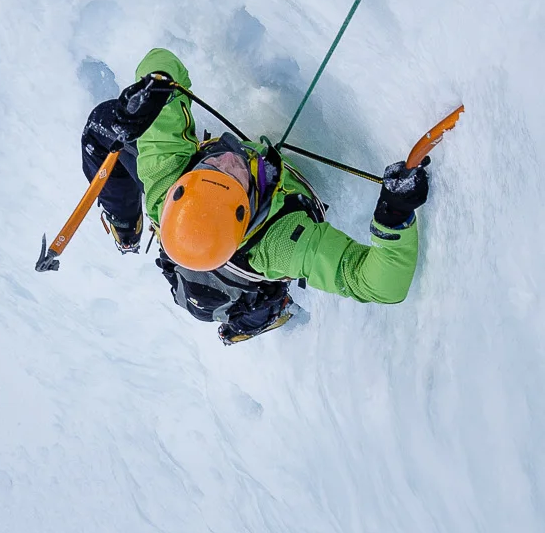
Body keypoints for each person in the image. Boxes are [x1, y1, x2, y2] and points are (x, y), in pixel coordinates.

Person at [80, 46, 429, 343]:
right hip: (236, 280)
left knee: (101, 126)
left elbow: (161, 60)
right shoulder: (280, 244)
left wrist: (150, 91)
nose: (228, 159)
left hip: (193, 239)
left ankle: (125, 225)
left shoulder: (166, 188)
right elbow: (379, 285)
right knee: (255, 306)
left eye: (209, 168)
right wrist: (394, 217)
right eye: (232, 177)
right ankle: (252, 322)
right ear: (245, 210)